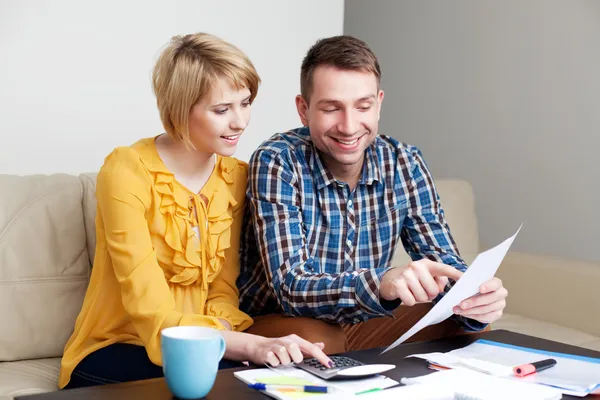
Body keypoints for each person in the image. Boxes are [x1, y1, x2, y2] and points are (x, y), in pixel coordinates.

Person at [58, 32, 332, 390]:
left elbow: (223, 287)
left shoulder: (235, 177)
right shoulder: (126, 171)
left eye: (245, 103)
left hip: (206, 345)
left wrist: (228, 339)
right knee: (218, 380)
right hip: (118, 347)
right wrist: (248, 345)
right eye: (222, 110)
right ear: (179, 109)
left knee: (280, 377)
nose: (240, 122)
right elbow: (151, 310)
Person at [238, 35, 508, 351]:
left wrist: (474, 297)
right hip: (277, 319)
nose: (349, 126)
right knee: (323, 340)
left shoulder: (405, 162)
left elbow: (443, 260)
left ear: (378, 104)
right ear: (303, 109)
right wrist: (381, 282)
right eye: (331, 108)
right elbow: (291, 287)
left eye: (363, 106)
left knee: (468, 328)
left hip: (364, 318)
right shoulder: (277, 161)